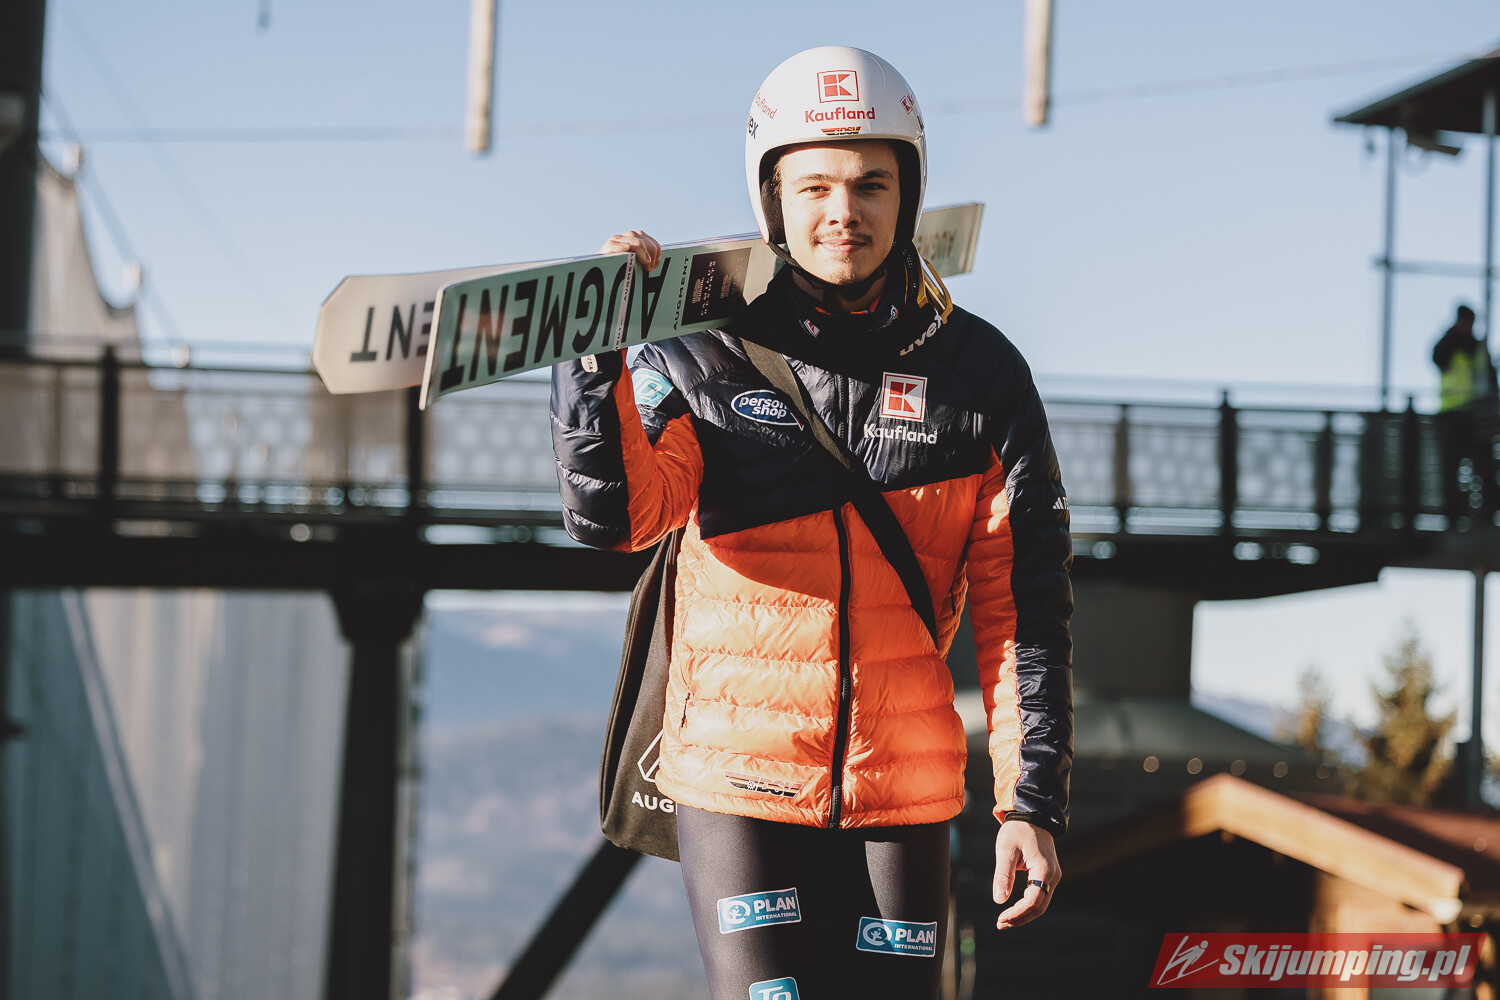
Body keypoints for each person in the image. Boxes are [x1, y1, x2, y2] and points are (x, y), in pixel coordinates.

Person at [550, 46, 1073, 1000]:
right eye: (815, 186)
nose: (844, 211)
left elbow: (1025, 611)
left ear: (909, 195)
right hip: (739, 779)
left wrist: (1028, 804)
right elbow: (618, 517)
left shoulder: (982, 374)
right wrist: (595, 361)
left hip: (905, 787)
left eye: (873, 184)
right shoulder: (704, 351)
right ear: (773, 201)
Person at [1432, 304, 1498, 523]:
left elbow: (1491, 381)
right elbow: (1438, 359)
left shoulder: (1478, 348)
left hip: (1476, 416)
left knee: (1483, 467)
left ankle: (1485, 515)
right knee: (1452, 468)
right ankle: (1454, 517)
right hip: (1452, 415)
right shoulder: (1447, 344)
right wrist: (1452, 336)